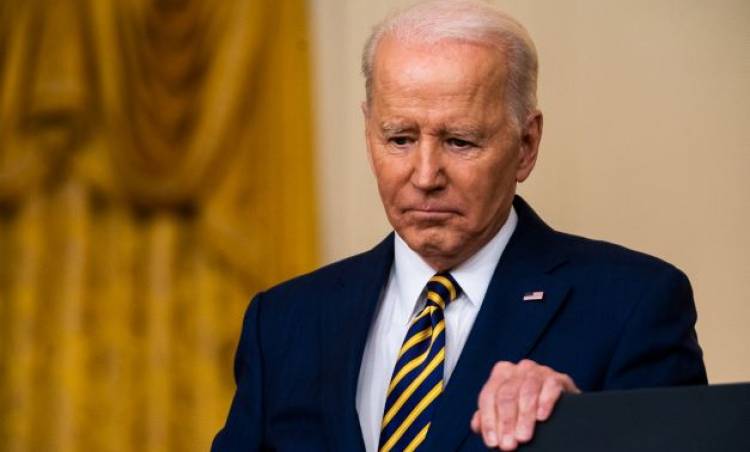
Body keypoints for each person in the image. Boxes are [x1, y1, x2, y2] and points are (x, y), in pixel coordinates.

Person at [212, 1, 706, 451]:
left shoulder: (632, 306)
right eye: (400, 139)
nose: (426, 176)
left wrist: (585, 430)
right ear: (368, 133)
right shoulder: (283, 323)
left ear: (526, 145)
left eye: (460, 141)